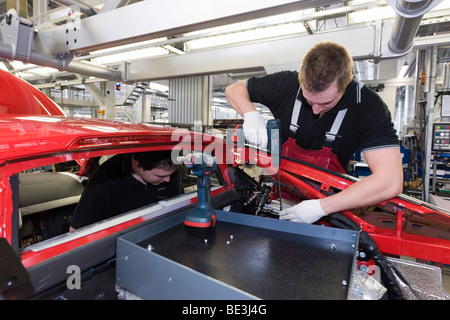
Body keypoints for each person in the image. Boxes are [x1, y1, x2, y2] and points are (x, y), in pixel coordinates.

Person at [225, 40, 403, 224]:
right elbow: (234, 89)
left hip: (331, 206)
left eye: (326, 103)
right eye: (309, 99)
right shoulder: (286, 83)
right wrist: (250, 114)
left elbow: (390, 180)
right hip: (279, 196)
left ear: (347, 81)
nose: (316, 110)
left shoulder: (368, 106)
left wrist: (322, 207)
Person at [70, 150, 184, 230]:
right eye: (160, 176)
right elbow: (76, 231)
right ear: (138, 165)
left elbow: (179, 208)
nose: (168, 180)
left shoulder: (167, 170)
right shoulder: (104, 181)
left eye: (171, 174)